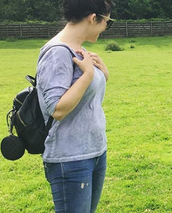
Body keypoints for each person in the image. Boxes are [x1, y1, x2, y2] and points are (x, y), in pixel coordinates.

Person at [36, 0, 115, 212]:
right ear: (93, 18)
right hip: (70, 158)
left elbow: (86, 101)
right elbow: (57, 108)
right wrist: (88, 74)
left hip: (94, 151)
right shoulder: (57, 52)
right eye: (108, 21)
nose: (106, 27)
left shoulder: (79, 50)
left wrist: (102, 74)